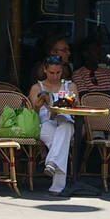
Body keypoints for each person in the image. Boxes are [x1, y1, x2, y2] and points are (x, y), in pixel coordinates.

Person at [29, 55, 77, 197]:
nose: (55, 76)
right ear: (45, 70)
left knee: (66, 126)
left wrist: (72, 103)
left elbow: (77, 108)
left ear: (62, 71)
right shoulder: (37, 87)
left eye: (58, 73)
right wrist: (38, 106)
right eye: (51, 73)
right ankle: (57, 183)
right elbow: (32, 114)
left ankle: (50, 162)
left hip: (65, 120)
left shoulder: (70, 86)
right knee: (60, 139)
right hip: (45, 123)